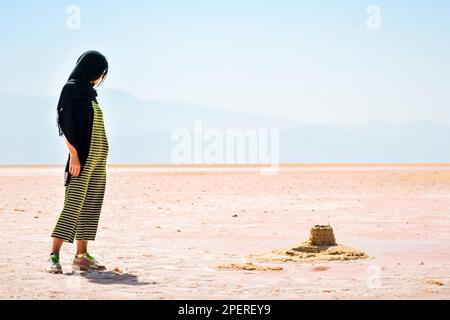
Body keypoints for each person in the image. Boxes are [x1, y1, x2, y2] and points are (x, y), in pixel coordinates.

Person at [47, 50, 109, 273]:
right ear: (92, 70)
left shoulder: (89, 94)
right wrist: (74, 155)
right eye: (101, 72)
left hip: (97, 161)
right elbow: (65, 123)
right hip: (81, 159)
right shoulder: (71, 89)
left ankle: (81, 256)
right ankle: (53, 256)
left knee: (90, 206)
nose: (101, 77)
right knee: (73, 205)